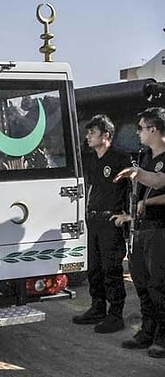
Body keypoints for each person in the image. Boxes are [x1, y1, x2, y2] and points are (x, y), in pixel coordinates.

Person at [111, 107, 165, 358]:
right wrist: (132, 214)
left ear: (154, 129)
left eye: (142, 128)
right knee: (142, 285)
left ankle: (162, 337)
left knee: (159, 285)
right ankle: (147, 330)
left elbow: (158, 182)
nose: (139, 133)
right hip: (141, 230)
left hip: (160, 230)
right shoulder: (145, 157)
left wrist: (137, 176)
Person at [72, 115, 131, 333]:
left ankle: (116, 314)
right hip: (93, 219)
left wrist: (128, 215)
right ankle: (97, 307)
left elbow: (132, 189)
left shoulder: (120, 159)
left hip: (111, 220)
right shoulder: (90, 159)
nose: (88, 137)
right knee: (94, 268)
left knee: (111, 269)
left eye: (92, 133)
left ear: (106, 135)